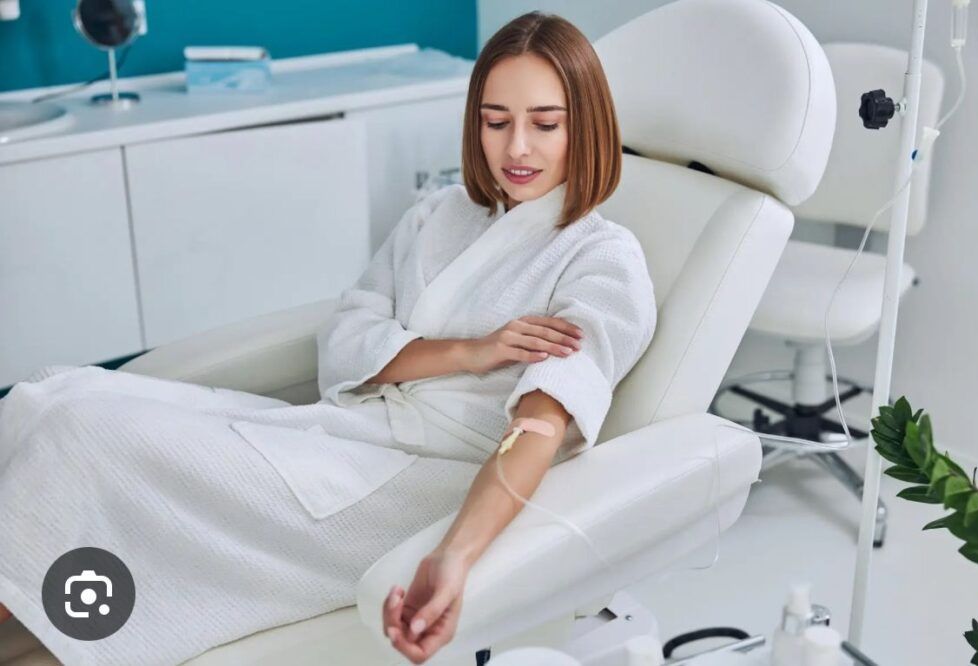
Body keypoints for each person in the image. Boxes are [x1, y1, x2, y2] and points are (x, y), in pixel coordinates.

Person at [0, 11, 656, 666]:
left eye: (545, 124)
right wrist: (470, 351)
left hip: (430, 488)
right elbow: (348, 335)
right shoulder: (442, 214)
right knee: (49, 395)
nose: (517, 149)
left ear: (585, 126)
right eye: (495, 121)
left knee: (81, 434)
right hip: (350, 432)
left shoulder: (601, 261)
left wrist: (453, 555)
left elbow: (539, 426)